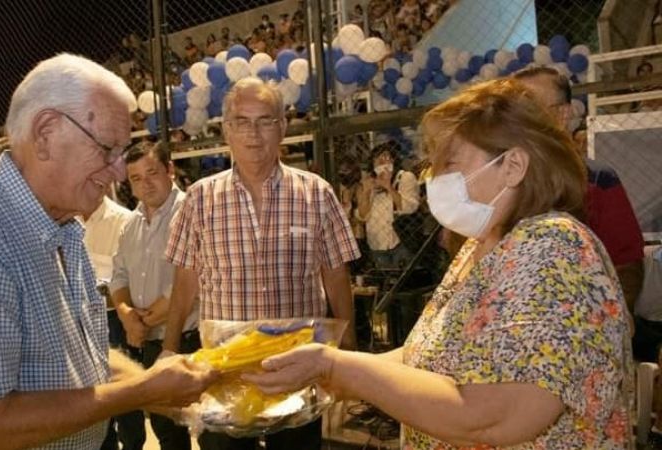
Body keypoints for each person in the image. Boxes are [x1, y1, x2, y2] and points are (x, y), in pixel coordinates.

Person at [246, 78, 633, 448]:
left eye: (449, 162)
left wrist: (336, 367)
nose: (432, 176)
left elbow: (495, 415)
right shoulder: (482, 247)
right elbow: (425, 356)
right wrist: (332, 370)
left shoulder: (555, 250)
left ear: (513, 167)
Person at [0, 53, 215, 450]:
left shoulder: (61, 222)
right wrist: (145, 390)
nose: (118, 172)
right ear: (45, 133)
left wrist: (168, 393)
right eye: (107, 150)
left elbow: (84, 361)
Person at [162, 77, 360, 450]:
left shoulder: (316, 193)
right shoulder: (200, 198)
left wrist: (346, 350)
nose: (253, 134)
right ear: (226, 130)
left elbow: (335, 273)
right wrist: (170, 349)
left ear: (283, 127)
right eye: (241, 121)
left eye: (265, 121)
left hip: (297, 370)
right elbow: (185, 280)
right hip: (225, 373)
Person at [513, 67, 646, 314]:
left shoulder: (597, 180)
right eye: (512, 111)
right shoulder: (500, 181)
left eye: (531, 109)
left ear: (563, 114)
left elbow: (626, 263)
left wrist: (613, 321)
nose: (519, 120)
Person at [109, 141, 200, 450]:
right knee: (166, 432)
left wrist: (146, 319)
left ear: (170, 170)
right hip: (150, 344)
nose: (145, 184)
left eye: (152, 173)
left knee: (213, 432)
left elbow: (194, 277)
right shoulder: (130, 225)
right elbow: (118, 275)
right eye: (136, 178)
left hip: (192, 339)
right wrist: (126, 315)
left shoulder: (191, 211)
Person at [81, 194, 135, 450]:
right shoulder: (63, 219)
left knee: (125, 397)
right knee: (94, 399)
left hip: (113, 319)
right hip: (79, 321)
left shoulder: (121, 220)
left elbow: (127, 279)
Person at [356, 143, 420, 269]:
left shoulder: (404, 177)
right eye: (378, 160)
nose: (382, 163)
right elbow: (363, 216)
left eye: (386, 158)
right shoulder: (370, 182)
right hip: (376, 244)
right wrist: (366, 192)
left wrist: (388, 186)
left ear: (394, 160)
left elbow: (409, 207)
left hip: (400, 241)